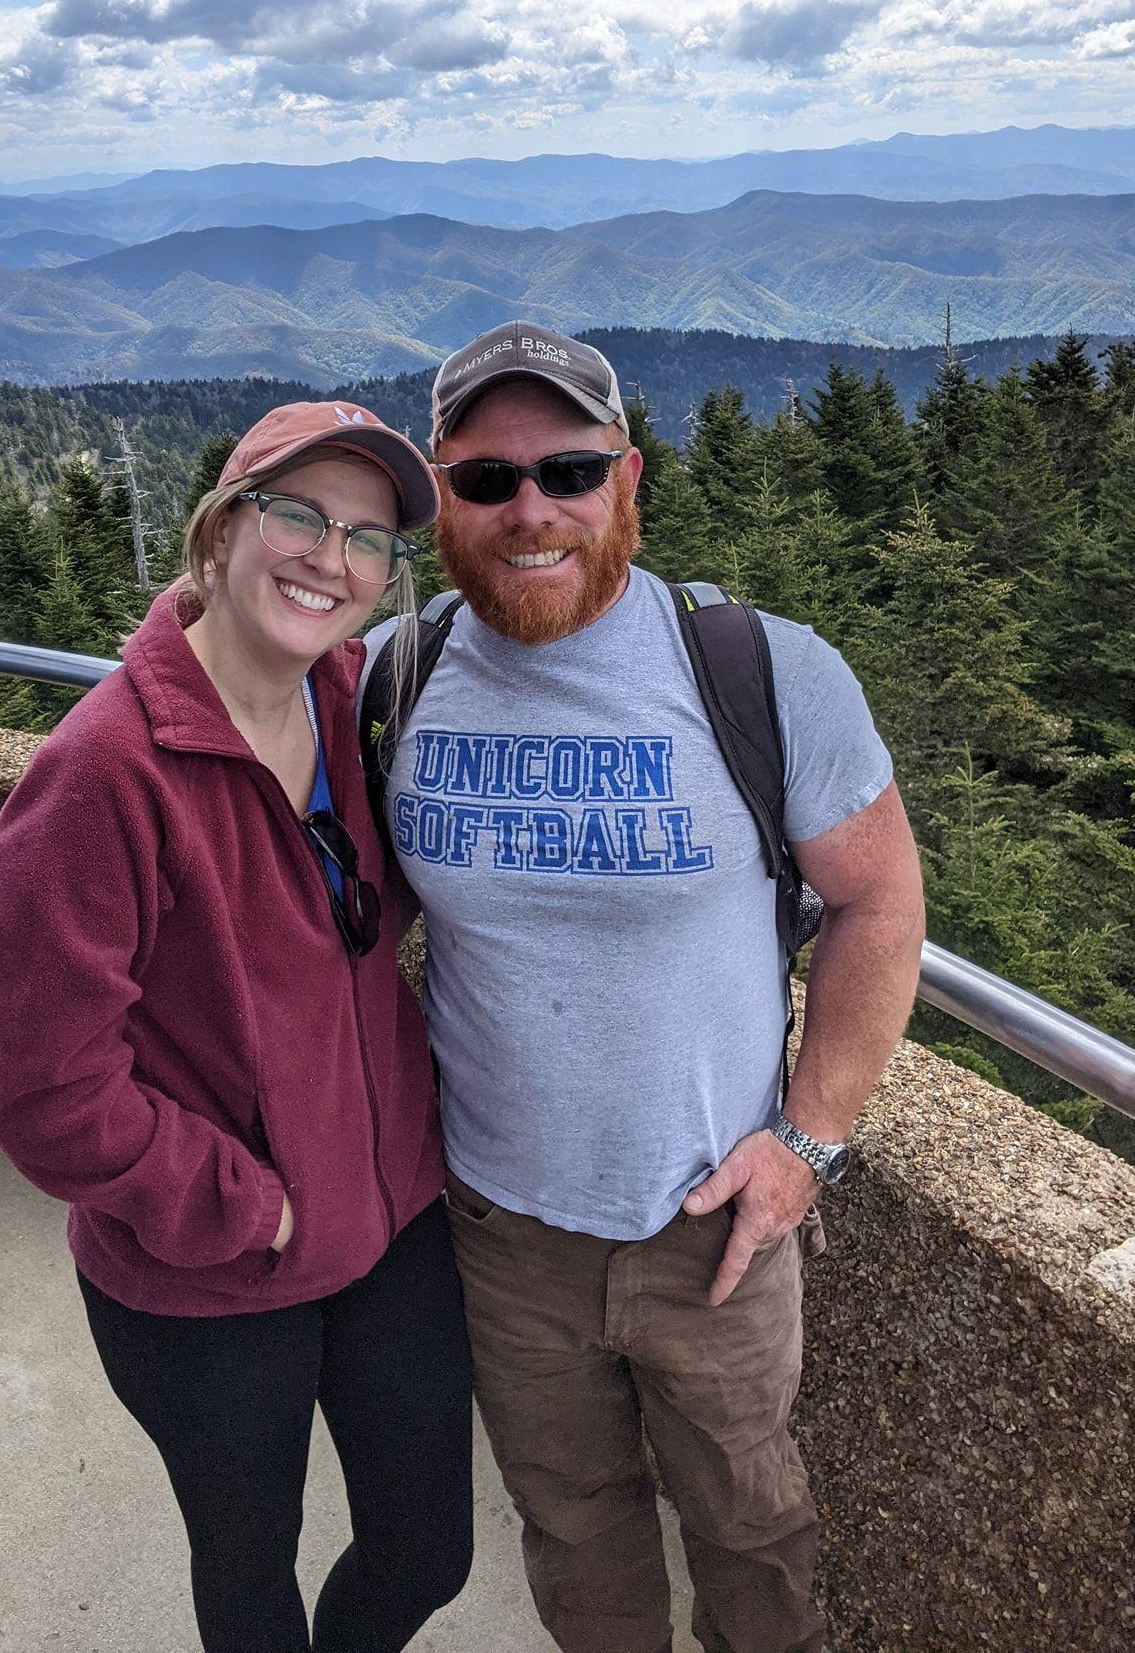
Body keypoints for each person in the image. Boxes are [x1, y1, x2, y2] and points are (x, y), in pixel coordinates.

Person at [362, 322, 928, 1653]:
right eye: (486, 480)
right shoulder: (403, 674)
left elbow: (880, 902)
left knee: (752, 1527)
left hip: (713, 1228)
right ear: (442, 498)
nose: (531, 510)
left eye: (567, 468)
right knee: (574, 1528)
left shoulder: (763, 670)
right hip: (501, 1229)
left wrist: (808, 1145)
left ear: (629, 480)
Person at [0, 401, 474, 1653]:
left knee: (427, 1545)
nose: (328, 556)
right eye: (294, 512)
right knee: (248, 1574)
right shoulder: (102, 774)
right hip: (210, 1263)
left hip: (390, 1211)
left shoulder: (357, 701)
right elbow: (46, 1097)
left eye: (366, 536)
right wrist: (254, 1206)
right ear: (218, 528)